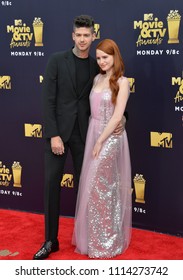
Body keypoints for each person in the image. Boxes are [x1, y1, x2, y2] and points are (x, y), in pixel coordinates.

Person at [33, 15, 125, 260]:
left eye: (87, 35)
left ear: (93, 36)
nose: (83, 39)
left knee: (88, 189)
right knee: (52, 186)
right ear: (73, 36)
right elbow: (48, 100)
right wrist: (53, 133)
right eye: (79, 35)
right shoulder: (56, 61)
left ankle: (89, 238)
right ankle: (50, 240)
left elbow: (114, 94)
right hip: (58, 135)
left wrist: (123, 117)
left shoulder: (98, 66)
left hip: (86, 137)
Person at [72, 39, 132, 259]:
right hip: (93, 132)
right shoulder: (97, 78)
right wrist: (94, 138)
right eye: (98, 58)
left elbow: (118, 116)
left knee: (104, 188)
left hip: (111, 138)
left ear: (115, 56)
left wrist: (100, 141)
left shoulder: (123, 82)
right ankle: (95, 241)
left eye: (105, 57)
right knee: (95, 190)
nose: (101, 61)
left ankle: (108, 243)